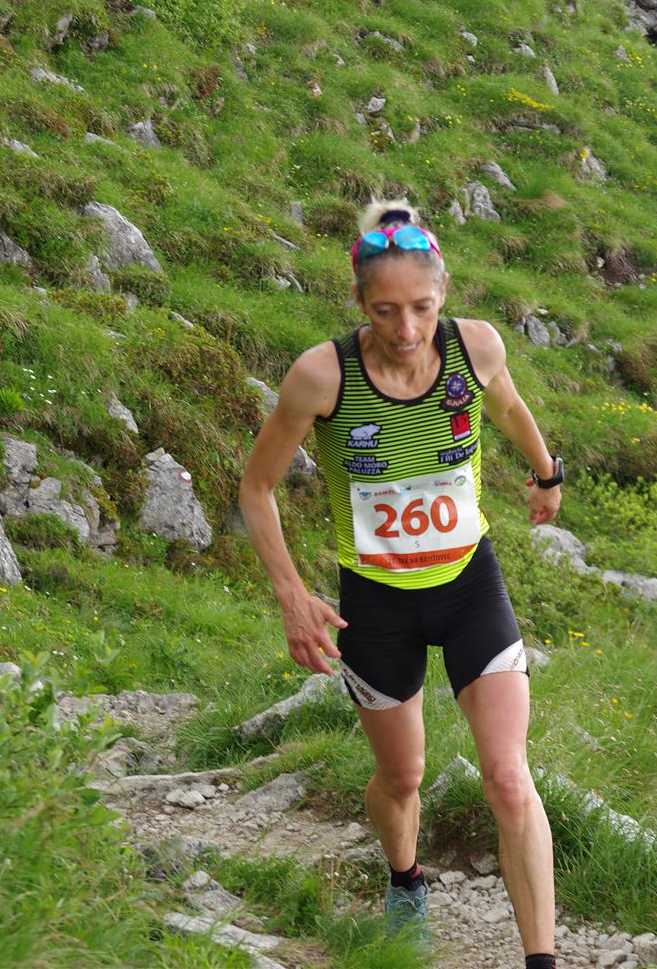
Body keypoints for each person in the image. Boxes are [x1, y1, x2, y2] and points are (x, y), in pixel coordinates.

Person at [239, 200, 561, 969]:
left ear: (442, 294)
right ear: (359, 302)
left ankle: (542, 960)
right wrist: (292, 596)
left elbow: (507, 405)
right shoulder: (322, 376)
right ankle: (406, 880)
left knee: (508, 778)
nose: (407, 328)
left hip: (469, 586)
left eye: (421, 307)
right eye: (386, 310)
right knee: (401, 775)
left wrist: (547, 472)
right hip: (376, 605)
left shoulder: (476, 347)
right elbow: (256, 488)